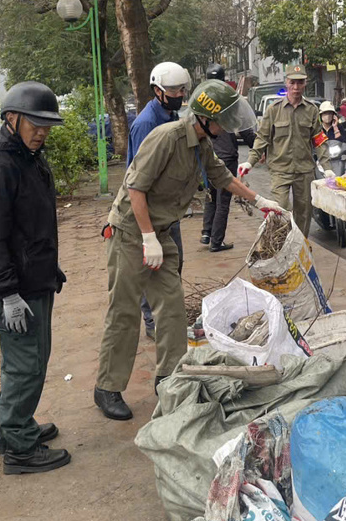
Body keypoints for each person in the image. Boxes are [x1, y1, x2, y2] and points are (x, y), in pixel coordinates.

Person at [95, 80, 282, 420]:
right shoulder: (166, 138)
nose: (226, 127)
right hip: (131, 232)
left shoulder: (201, 144)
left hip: (160, 233)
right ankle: (107, 388)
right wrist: (148, 237)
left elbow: (222, 177)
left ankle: (169, 379)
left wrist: (259, 200)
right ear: (206, 116)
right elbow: (136, 188)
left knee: (171, 308)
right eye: (222, 119)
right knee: (124, 312)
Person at [0, 81, 70, 474]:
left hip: (35, 280)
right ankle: (19, 449)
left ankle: (12, 429)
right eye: (35, 123)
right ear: (11, 118)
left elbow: (32, 224)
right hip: (16, 290)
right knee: (25, 367)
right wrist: (8, 293)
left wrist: (48, 266)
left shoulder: (29, 156)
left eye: (47, 124)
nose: (42, 131)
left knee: (32, 361)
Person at [129, 62, 192, 341]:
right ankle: (152, 320)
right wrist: (147, 234)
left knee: (173, 264)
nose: (180, 94)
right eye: (174, 90)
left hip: (169, 210)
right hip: (150, 211)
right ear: (158, 91)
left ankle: (168, 313)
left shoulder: (172, 114)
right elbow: (138, 181)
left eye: (182, 89)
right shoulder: (146, 124)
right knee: (152, 267)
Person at [239, 65, 332, 237]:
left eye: (300, 83)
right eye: (292, 82)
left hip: (304, 171)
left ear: (305, 83)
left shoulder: (311, 110)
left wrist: (326, 167)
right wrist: (250, 161)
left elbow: (319, 140)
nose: (296, 87)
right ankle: (282, 245)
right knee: (279, 209)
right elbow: (262, 138)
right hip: (280, 170)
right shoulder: (273, 110)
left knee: (303, 212)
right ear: (286, 82)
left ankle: (300, 245)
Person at [201, 63, 257, 252]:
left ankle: (206, 233)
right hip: (226, 157)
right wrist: (256, 146)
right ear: (225, 80)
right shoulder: (231, 101)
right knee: (223, 201)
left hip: (207, 156)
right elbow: (244, 127)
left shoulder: (202, 100)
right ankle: (216, 242)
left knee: (211, 197)